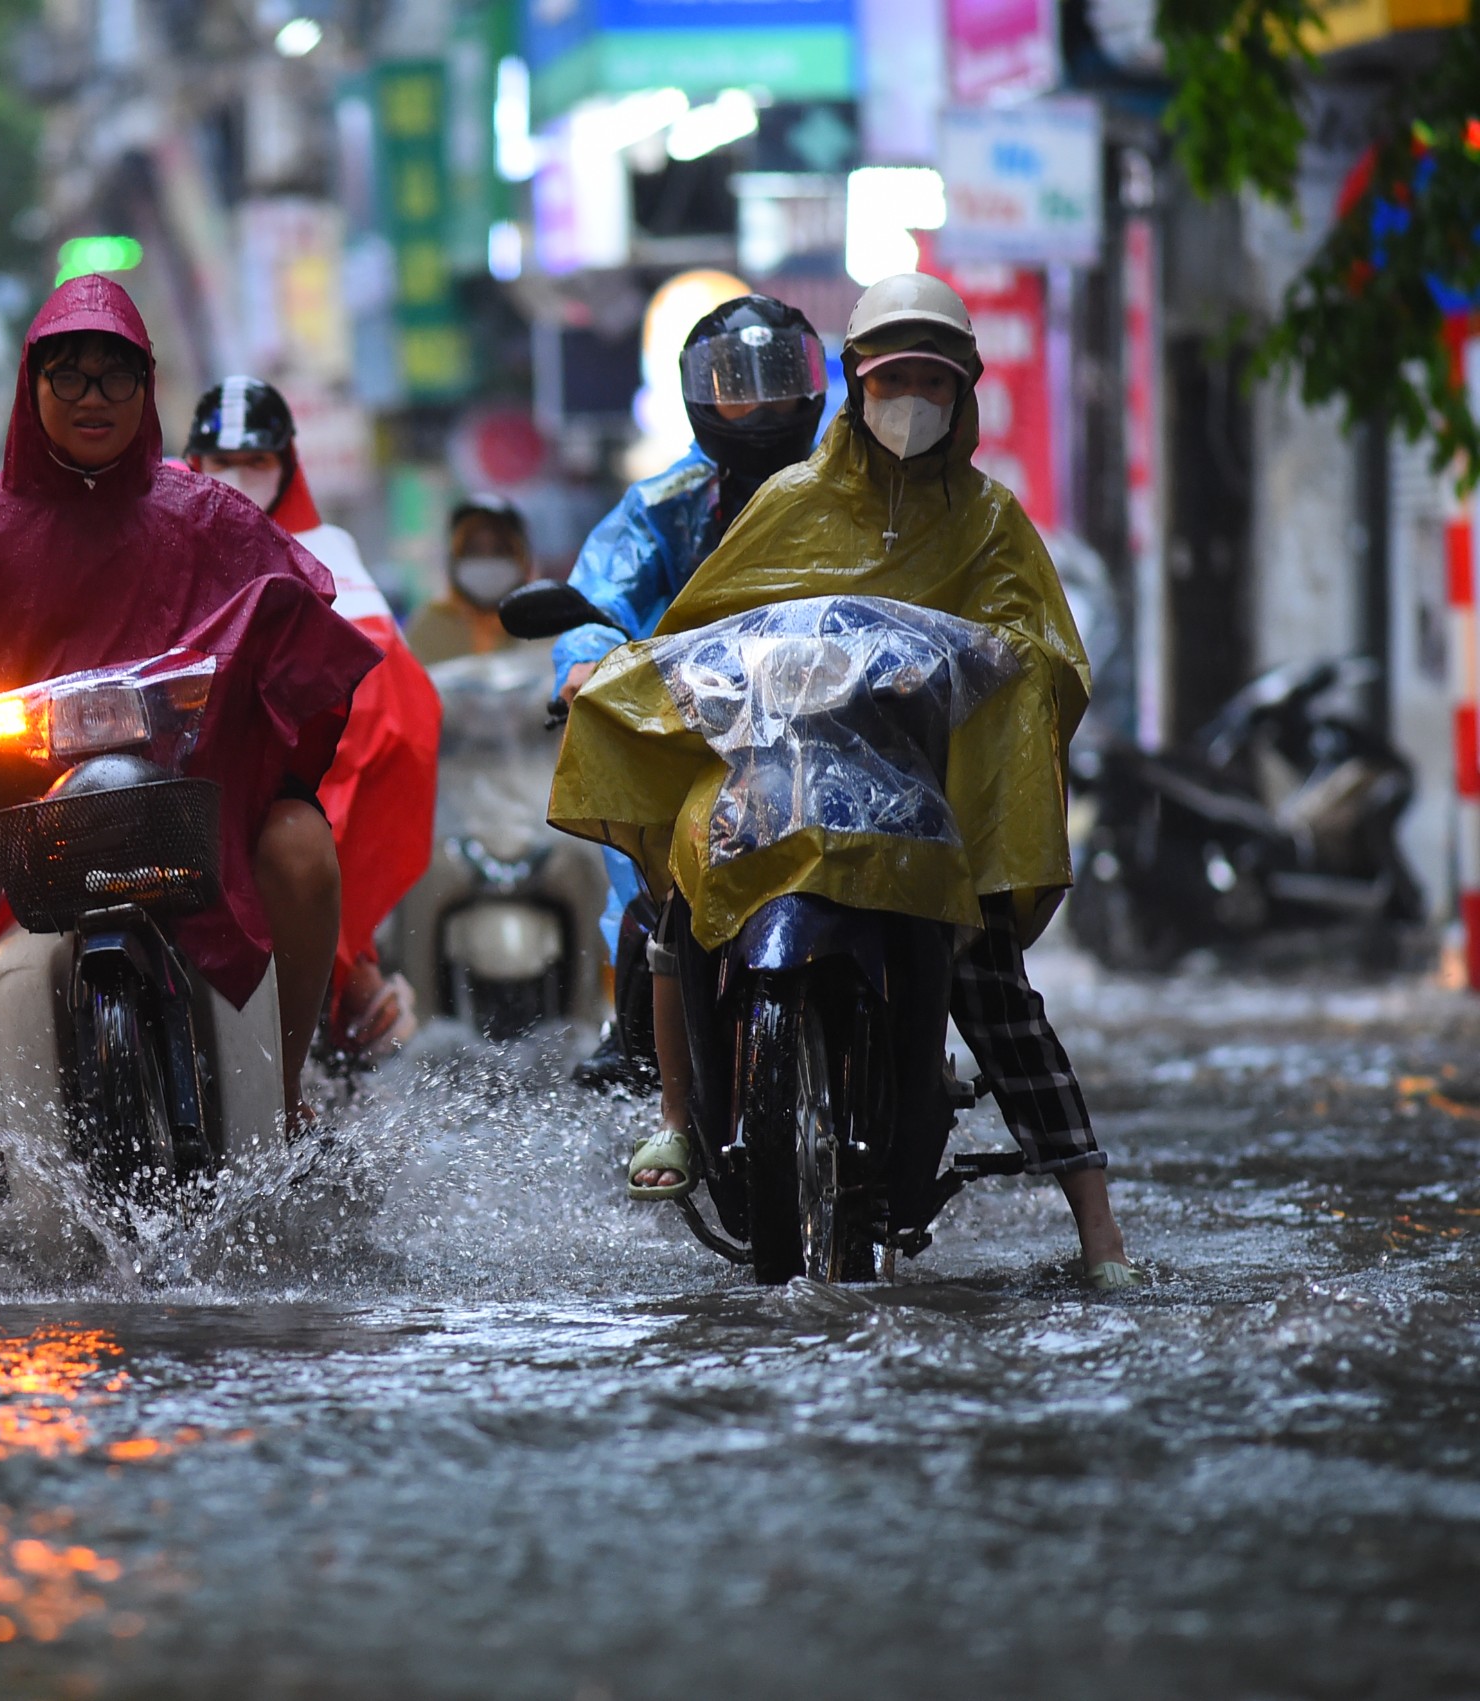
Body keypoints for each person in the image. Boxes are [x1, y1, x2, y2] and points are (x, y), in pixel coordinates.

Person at [556, 272, 1135, 1287]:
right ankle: (683, 1124)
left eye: (932, 379)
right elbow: (705, 629)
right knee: (679, 904)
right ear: (857, 385)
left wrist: (976, 666)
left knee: (991, 985)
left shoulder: (991, 523)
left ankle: (1098, 1229)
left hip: (926, 793)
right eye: (893, 376)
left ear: (962, 394)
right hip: (782, 777)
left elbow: (1042, 650)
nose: (910, 396)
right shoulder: (785, 503)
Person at [0, 276, 378, 1131]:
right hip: (24, 847)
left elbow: (301, 635)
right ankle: (6, 1148)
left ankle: (282, 1096)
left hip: (200, 827)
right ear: (31, 387)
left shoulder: (212, 517)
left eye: (116, 375)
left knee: (300, 846)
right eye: (69, 374)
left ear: (148, 387)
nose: (92, 397)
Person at [552, 295, 829, 1091]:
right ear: (699, 395)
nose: (760, 404)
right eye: (735, 385)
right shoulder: (665, 507)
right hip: (710, 741)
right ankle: (647, 1043)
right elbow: (603, 599)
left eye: (776, 381)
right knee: (657, 893)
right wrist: (588, 663)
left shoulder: (853, 489)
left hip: (839, 737)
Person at [186, 375, 440, 1061]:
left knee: (308, 842)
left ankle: (341, 975)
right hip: (179, 768)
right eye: (222, 461)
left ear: (286, 464)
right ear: (193, 461)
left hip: (293, 769)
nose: (239, 476)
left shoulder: (327, 550)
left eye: (257, 461)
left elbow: (382, 677)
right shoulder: (160, 538)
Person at [406, 496, 534, 665]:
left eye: (499, 550)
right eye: (473, 550)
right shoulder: (428, 629)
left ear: (521, 558)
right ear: (454, 557)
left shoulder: (543, 624)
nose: (487, 560)